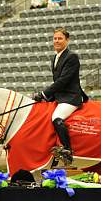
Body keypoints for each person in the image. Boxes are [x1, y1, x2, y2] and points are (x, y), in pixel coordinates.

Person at [32, 27, 88, 162]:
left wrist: (44, 94)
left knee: (56, 117)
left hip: (70, 97)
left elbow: (63, 81)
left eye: (60, 38)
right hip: (60, 96)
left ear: (67, 40)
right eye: (55, 38)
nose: (56, 41)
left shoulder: (71, 57)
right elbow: (57, 82)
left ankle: (68, 149)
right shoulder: (55, 57)